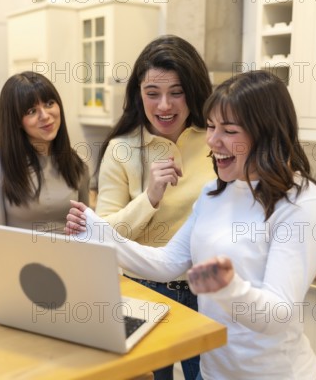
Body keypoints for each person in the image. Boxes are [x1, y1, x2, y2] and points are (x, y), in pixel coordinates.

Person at [67, 70, 316, 380]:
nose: (213, 141)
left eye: (229, 131)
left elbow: (277, 314)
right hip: (212, 373)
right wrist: (96, 230)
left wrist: (227, 288)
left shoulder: (301, 203)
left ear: (267, 134)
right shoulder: (214, 193)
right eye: (210, 126)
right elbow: (168, 262)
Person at [93, 35, 215, 379]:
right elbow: (103, 236)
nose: (164, 105)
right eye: (152, 94)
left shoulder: (216, 140)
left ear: (193, 91)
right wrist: (149, 198)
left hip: (205, 295)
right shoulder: (122, 150)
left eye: (177, 92)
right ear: (138, 95)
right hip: (141, 295)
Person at [0, 71, 89, 233]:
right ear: (15, 121)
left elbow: (89, 233)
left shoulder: (78, 163)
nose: (45, 116)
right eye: (31, 111)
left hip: (69, 257)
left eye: (49, 103)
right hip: (18, 258)